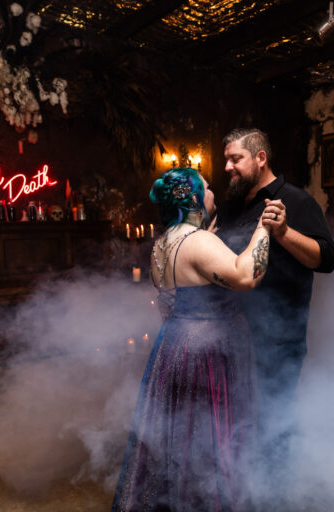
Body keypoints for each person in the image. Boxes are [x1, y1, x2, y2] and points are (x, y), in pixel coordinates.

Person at [112, 167, 279, 512]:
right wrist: (264, 227)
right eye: (207, 187)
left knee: (177, 436)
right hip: (207, 352)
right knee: (207, 438)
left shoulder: (163, 242)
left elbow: (175, 295)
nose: (213, 192)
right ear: (193, 197)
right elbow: (247, 277)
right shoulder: (199, 242)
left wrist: (207, 235)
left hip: (173, 346)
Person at [216, 128, 334, 468]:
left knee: (274, 423)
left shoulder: (297, 201)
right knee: (234, 421)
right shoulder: (229, 209)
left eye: (235, 159)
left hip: (278, 341)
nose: (227, 167)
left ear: (260, 158)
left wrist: (284, 233)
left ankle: (274, 492)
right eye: (225, 159)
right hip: (229, 337)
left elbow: (327, 259)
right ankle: (238, 487)